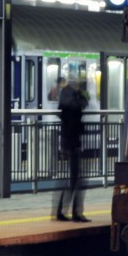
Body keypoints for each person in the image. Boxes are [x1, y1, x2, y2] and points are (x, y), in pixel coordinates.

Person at [54, 77, 90, 222]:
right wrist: (79, 94)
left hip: (70, 140)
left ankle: (64, 212)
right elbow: (80, 105)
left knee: (74, 179)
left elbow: (83, 104)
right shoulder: (69, 97)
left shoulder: (68, 95)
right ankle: (72, 212)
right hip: (71, 142)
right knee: (76, 180)